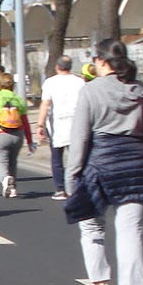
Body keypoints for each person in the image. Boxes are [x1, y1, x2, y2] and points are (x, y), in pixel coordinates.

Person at [64, 37, 143, 285]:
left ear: (101, 61)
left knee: (92, 227)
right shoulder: (141, 91)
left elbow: (80, 138)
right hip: (137, 165)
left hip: (101, 164)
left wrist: (72, 178)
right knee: (131, 230)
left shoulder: (91, 91)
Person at [38, 55, 84, 200]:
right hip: (77, 122)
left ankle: (60, 189)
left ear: (57, 66)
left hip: (57, 124)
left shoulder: (50, 82)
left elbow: (45, 104)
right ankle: (76, 187)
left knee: (57, 158)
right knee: (76, 158)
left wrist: (40, 124)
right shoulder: (80, 82)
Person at [0, 73, 33, 197]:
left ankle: (5, 179)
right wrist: (29, 140)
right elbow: (25, 122)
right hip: (17, 134)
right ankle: (13, 189)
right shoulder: (18, 99)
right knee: (12, 162)